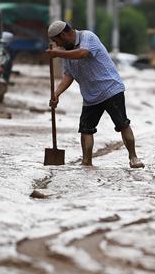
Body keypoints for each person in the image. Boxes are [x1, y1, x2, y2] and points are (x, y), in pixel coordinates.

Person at [46, 20, 144, 169]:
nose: (57, 44)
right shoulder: (67, 53)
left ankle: (133, 157)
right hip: (90, 96)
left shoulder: (87, 37)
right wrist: (56, 94)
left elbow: (83, 53)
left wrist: (57, 53)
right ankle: (86, 163)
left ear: (64, 35)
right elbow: (68, 76)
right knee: (86, 129)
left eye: (56, 41)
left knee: (122, 124)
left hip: (110, 89)